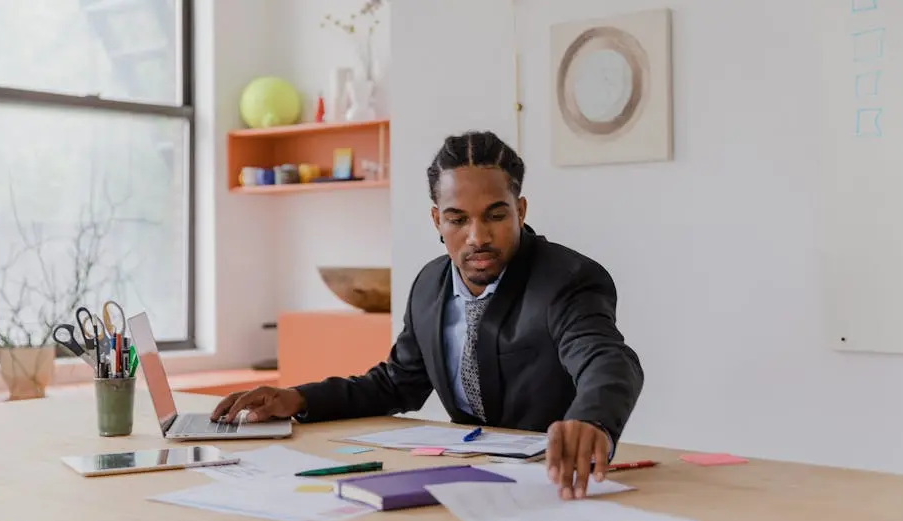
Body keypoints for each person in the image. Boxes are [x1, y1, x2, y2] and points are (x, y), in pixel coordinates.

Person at [211, 130, 644, 499]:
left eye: (495, 215)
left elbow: (607, 360)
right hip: (465, 483)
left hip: (551, 483)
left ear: (521, 211)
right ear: (437, 220)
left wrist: (592, 420)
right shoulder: (429, 286)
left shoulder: (567, 279)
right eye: (458, 219)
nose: (478, 237)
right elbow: (396, 383)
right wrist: (298, 399)